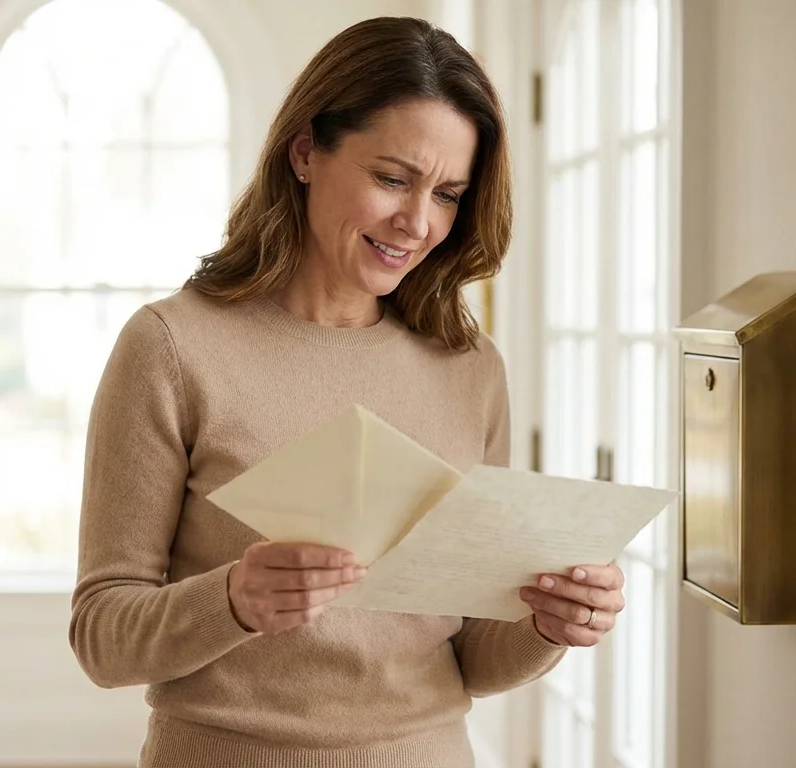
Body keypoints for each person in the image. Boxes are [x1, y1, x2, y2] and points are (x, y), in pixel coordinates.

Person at [68, 16, 627, 768]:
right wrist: (232, 600)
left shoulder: (469, 368)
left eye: (449, 194)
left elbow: (472, 656)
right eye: (392, 179)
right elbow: (104, 637)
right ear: (305, 152)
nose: (419, 222)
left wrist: (549, 625)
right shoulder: (172, 347)